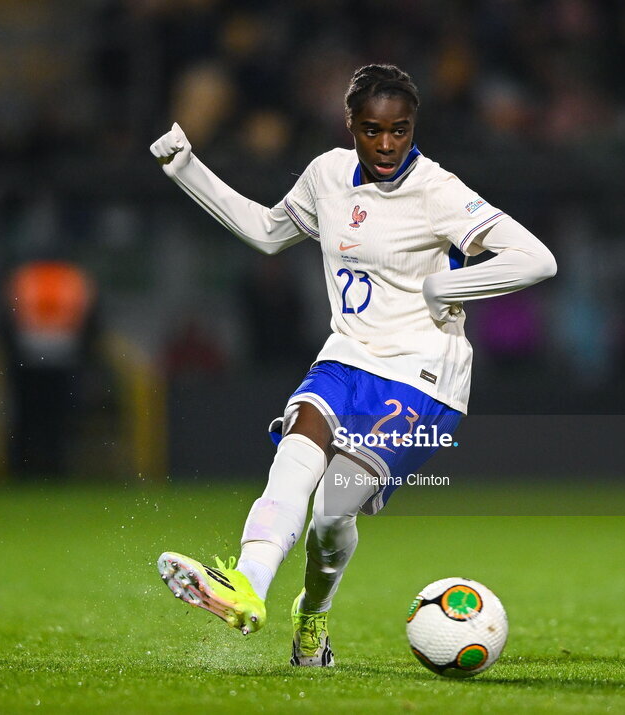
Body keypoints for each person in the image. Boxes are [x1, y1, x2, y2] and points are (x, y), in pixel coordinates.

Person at [150, 64, 556, 666]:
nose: (387, 144)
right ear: (351, 126)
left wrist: (448, 289)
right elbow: (266, 233)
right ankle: (248, 587)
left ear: (413, 127)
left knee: (332, 512)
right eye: (372, 130)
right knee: (295, 449)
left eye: (400, 130)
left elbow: (536, 260)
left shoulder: (438, 191)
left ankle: (312, 620)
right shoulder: (327, 175)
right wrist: (185, 167)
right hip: (346, 356)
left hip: (424, 377)